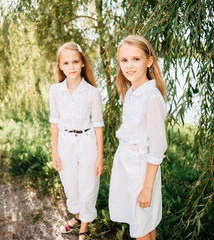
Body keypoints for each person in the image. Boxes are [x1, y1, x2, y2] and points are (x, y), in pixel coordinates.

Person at [109, 35, 167, 240]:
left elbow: (158, 147)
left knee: (142, 226)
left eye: (136, 59)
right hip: (127, 165)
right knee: (144, 223)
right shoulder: (132, 93)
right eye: (124, 60)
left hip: (142, 171)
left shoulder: (152, 97)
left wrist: (147, 188)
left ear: (149, 62)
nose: (129, 65)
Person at [49, 42, 104, 240]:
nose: (71, 66)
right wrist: (55, 152)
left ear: (82, 63)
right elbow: (54, 123)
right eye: (66, 63)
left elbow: (98, 124)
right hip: (65, 142)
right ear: (60, 67)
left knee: (88, 184)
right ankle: (78, 216)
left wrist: (100, 157)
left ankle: (84, 226)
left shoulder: (92, 92)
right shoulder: (55, 91)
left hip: (87, 141)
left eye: (75, 61)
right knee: (70, 185)